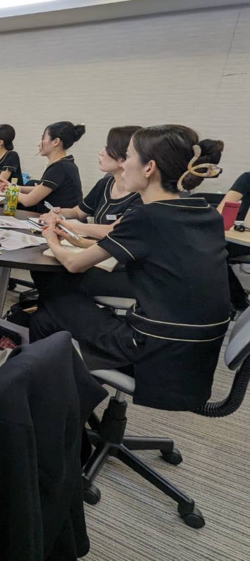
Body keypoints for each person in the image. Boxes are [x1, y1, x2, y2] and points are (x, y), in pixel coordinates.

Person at [31, 125, 230, 410]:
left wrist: (50, 234)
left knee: (52, 299)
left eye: (128, 156)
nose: (123, 164)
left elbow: (74, 264)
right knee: (46, 316)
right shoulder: (203, 212)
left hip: (153, 351)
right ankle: (59, 405)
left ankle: (51, 408)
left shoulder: (147, 216)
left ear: (149, 167)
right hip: (195, 358)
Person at [39, 126, 142, 238]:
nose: (101, 152)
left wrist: (61, 223)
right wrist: (58, 213)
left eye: (107, 148)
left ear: (125, 157)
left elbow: (113, 230)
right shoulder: (105, 183)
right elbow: (78, 212)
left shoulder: (142, 195)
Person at [0, 121, 85, 211]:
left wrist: (10, 190)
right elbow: (39, 189)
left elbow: (28, 201)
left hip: (63, 221)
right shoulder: (64, 163)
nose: (39, 143)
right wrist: (16, 187)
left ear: (56, 142)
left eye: (43, 138)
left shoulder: (60, 167)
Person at [216, 172, 250, 311]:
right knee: (215, 252)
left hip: (243, 240)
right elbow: (221, 211)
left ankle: (238, 302)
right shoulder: (247, 178)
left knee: (216, 252)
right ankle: (238, 301)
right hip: (238, 236)